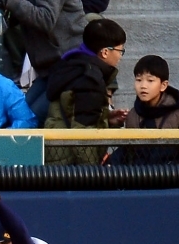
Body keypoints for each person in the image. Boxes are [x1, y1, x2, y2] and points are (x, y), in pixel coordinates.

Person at [44, 17, 128, 164]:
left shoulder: (72, 66)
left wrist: (107, 117)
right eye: (120, 50)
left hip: (57, 159)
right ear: (105, 52)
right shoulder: (90, 81)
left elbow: (76, 112)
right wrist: (90, 173)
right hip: (71, 167)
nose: (120, 56)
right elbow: (82, 134)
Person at [4, 0, 87, 126]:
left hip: (70, 67)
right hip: (51, 69)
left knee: (30, 119)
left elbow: (46, 18)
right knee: (20, 112)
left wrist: (12, 2)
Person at [109, 55, 179, 164]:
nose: (143, 86)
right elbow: (127, 152)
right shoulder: (133, 114)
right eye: (138, 80)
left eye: (150, 80)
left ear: (163, 85)